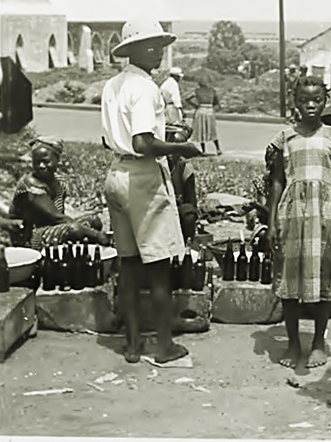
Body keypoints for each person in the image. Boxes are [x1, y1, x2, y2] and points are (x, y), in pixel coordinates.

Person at [101, 19, 202, 365]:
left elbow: (110, 138)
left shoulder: (113, 84)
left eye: (160, 45)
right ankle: (163, 345)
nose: (158, 52)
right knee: (158, 266)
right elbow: (143, 142)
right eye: (151, 46)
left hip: (116, 172)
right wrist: (181, 148)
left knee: (128, 265)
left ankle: (132, 345)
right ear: (133, 50)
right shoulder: (145, 88)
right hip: (142, 177)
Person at [267, 75, 331, 369]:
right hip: (291, 214)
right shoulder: (284, 138)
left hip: (325, 214)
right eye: (304, 100)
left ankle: (317, 342)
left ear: (326, 101)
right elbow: (276, 182)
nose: (311, 105)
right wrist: (272, 219)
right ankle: (292, 343)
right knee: (290, 281)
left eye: (317, 100)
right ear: (295, 102)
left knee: (323, 278)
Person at [9, 136, 107, 250]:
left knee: (94, 221)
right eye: (36, 162)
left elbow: (61, 217)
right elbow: (57, 217)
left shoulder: (60, 181)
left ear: (57, 160)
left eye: (46, 161)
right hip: (30, 236)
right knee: (76, 230)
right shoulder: (30, 185)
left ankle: (80, 255)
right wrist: (96, 235)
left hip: (53, 227)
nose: (41, 166)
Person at [165, 123, 198, 241]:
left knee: (189, 214)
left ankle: (186, 249)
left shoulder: (184, 168)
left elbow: (191, 203)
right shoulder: (155, 166)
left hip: (177, 208)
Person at [188, 74, 222, 155]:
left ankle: (204, 150)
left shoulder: (196, 91)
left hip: (201, 110)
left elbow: (187, 98)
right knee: (212, 131)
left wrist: (195, 105)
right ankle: (218, 149)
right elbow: (217, 102)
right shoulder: (212, 91)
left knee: (201, 131)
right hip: (209, 111)